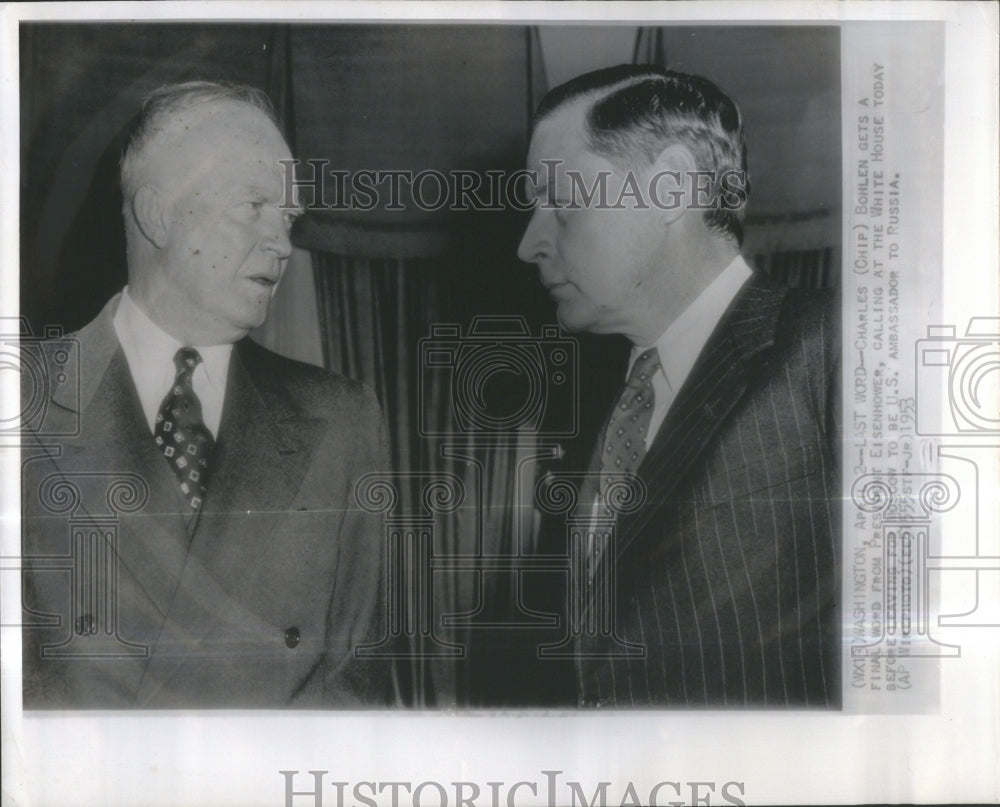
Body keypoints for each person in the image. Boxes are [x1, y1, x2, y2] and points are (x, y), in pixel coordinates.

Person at [21, 82, 391, 708]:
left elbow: (353, 697)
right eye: (254, 205)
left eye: (289, 217)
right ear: (157, 213)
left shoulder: (342, 420)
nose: (283, 243)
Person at [516, 65, 839, 708]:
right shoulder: (595, 410)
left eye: (559, 202)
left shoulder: (838, 343)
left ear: (668, 188)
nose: (529, 244)